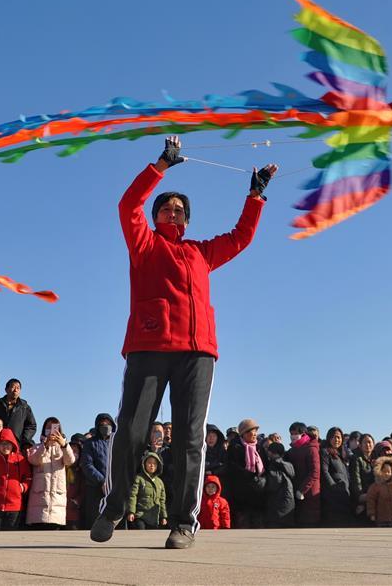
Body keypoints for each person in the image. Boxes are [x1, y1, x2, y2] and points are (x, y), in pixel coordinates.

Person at [93, 136, 275, 549]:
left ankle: (183, 523)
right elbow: (128, 205)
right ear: (156, 215)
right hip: (149, 345)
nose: (172, 212)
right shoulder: (144, 244)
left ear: (188, 220)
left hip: (197, 352)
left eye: (179, 209)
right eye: (166, 208)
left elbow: (241, 237)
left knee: (191, 438)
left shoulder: (202, 253)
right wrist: (159, 167)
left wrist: (255, 197)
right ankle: (114, 506)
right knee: (131, 432)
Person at [26, 417, 76, 529]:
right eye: (48, 427)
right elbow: (34, 460)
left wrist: (64, 445)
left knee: (54, 533)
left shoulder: (63, 448)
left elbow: (70, 461)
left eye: (54, 427)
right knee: (37, 531)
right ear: (44, 430)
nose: (51, 430)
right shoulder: (37, 447)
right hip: (39, 498)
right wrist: (45, 445)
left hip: (57, 499)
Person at [0, 427, 32, 530]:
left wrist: (22, 487)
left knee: (11, 536)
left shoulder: (21, 460)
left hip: (15, 506)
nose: (5, 446)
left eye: (8, 443)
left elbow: (28, 478)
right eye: (3, 444)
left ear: (13, 445)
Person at [224, 419, 267, 529]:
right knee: (243, 523)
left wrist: (263, 479)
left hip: (258, 491)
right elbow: (231, 467)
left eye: (256, 431)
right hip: (241, 493)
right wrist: (249, 475)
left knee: (258, 523)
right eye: (252, 431)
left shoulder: (259, 447)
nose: (255, 434)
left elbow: (266, 465)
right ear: (244, 433)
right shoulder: (235, 447)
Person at [80, 413, 114, 529]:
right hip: (95, 488)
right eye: (103, 424)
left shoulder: (116, 442)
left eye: (108, 424)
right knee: (94, 521)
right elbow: (87, 464)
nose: (106, 426)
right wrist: (102, 481)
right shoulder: (90, 443)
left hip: (114, 488)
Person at [285, 422, 321, 526]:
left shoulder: (311, 449)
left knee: (309, 523)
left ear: (303, 434)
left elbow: (315, 472)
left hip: (309, 493)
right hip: (296, 492)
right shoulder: (292, 450)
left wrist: (302, 490)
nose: (293, 436)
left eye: (295, 433)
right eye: (291, 434)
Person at [0, 378, 37, 450]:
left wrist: (24, 439)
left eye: (18, 388)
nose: (15, 390)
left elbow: (31, 425)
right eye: (13, 387)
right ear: (6, 389)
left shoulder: (25, 407)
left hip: (17, 444)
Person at [127, 452, 168, 530]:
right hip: (140, 516)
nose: (152, 465)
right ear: (144, 464)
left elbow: (162, 501)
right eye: (149, 463)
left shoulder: (160, 482)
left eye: (154, 463)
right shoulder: (139, 478)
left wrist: (163, 517)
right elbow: (133, 496)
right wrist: (131, 512)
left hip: (154, 519)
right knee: (140, 533)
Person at [320, 426, 351, 526]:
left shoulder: (341, 455)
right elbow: (325, 472)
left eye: (339, 437)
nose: (337, 440)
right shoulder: (325, 452)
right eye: (334, 437)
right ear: (329, 438)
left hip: (344, 493)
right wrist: (333, 487)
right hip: (332, 495)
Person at [367, 456, 392, 527]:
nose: (386, 474)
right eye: (384, 472)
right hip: (382, 520)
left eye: (388, 472)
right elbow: (371, 501)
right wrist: (372, 514)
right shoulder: (375, 486)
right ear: (379, 472)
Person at [263, 442, 295, 528]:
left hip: (278, 501)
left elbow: (274, 484)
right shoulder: (288, 465)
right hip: (288, 499)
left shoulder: (274, 465)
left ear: (272, 452)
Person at [350, 434, 375, 522]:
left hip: (373, 496)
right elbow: (356, 479)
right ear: (360, 445)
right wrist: (360, 496)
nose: (367, 445)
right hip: (362, 497)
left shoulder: (376, 459)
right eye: (365, 442)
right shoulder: (356, 459)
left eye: (369, 442)